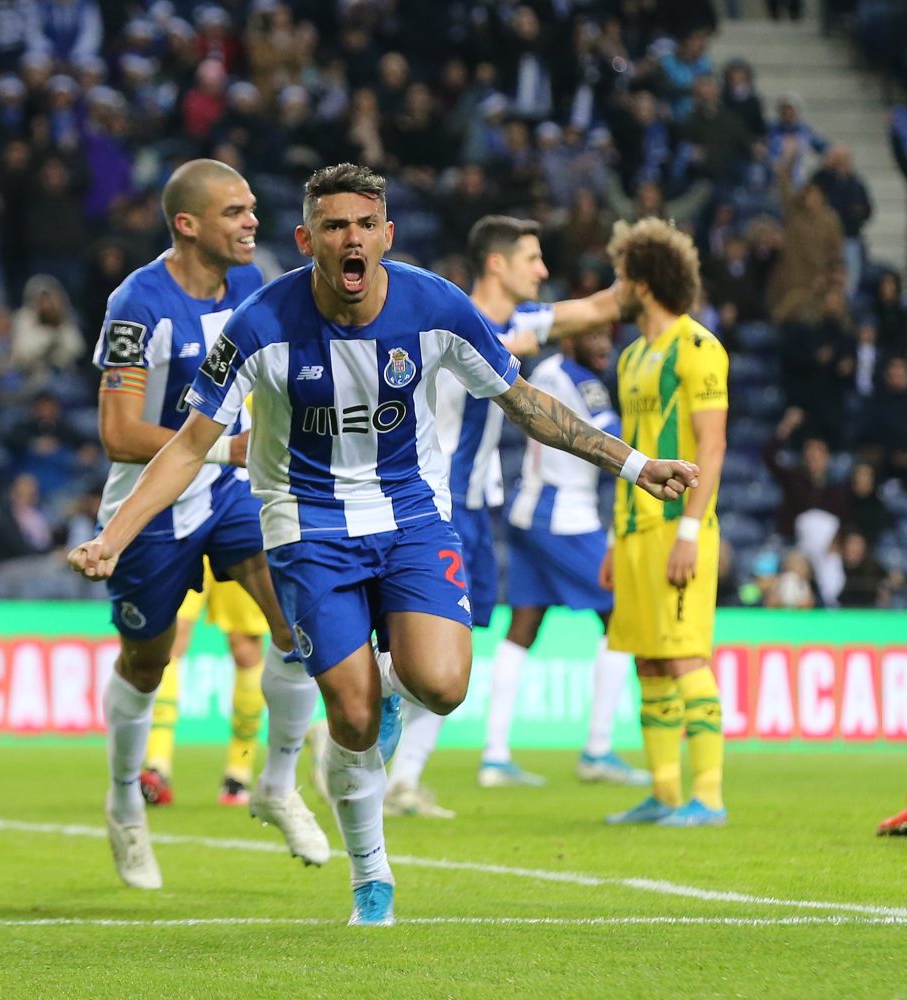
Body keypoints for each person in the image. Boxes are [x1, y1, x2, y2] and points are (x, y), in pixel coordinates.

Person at [69, 163, 698, 926]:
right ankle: (370, 873)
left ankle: (327, 738)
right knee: (350, 717)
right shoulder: (260, 320)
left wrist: (633, 465)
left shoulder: (434, 305)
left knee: (443, 686)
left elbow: (525, 402)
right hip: (309, 527)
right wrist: (113, 534)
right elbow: (187, 444)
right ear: (307, 240)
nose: (352, 238)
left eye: (366, 224)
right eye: (334, 226)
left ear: (387, 235)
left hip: (410, 519)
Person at [78, 158, 328, 892]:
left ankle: (276, 783)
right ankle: (125, 802)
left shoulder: (254, 286)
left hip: (231, 494)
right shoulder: (138, 305)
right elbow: (119, 433)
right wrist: (227, 447)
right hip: (152, 507)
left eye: (251, 208)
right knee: (147, 663)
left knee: (296, 625)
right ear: (186, 225)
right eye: (234, 212)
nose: (252, 222)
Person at [378, 214, 627, 815]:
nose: (542, 271)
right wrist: (505, 348)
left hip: (476, 506)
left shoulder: (517, 322)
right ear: (497, 263)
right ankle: (357, 716)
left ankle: (403, 777)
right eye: (531, 259)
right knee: (429, 646)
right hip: (431, 504)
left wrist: (643, 265)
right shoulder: (448, 321)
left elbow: (597, 309)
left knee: (455, 647)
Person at [479, 325, 649, 790]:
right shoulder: (580, 379)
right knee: (621, 616)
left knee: (523, 626)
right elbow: (613, 436)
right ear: (569, 340)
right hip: (563, 516)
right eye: (593, 338)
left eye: (607, 338)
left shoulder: (546, 369)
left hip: (527, 508)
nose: (603, 345)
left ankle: (494, 756)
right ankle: (598, 750)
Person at [601, 217, 729, 829]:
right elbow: (632, 449)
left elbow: (713, 446)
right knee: (647, 661)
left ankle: (709, 797)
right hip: (633, 532)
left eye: (620, 277)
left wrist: (689, 532)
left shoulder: (698, 348)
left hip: (678, 528)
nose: (615, 288)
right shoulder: (631, 357)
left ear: (644, 283)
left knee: (684, 658)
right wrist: (613, 537)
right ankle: (665, 793)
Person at [140, 559, 271, 808]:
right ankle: (157, 766)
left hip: (237, 539)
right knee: (170, 635)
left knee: (245, 647)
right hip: (187, 538)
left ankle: (238, 771)